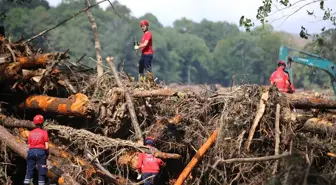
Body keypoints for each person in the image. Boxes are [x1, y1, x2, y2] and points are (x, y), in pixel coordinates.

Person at [24, 115, 49, 185]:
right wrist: (47, 154)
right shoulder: (44, 132)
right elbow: (46, 147)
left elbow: (29, 145)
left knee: (29, 171)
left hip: (31, 152)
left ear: (34, 123)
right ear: (42, 123)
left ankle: (26, 183)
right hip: (41, 153)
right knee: (42, 172)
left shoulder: (30, 133)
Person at [134, 20, 154, 85]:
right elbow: (142, 44)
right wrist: (138, 44)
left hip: (148, 54)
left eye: (144, 26)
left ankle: (151, 83)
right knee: (141, 69)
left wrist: (138, 46)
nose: (142, 27)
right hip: (143, 54)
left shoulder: (148, 34)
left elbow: (145, 44)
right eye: (141, 26)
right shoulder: (144, 35)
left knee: (148, 70)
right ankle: (143, 82)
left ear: (147, 26)